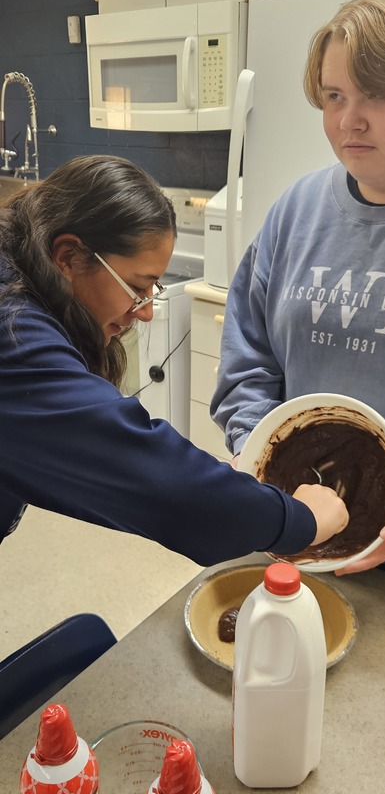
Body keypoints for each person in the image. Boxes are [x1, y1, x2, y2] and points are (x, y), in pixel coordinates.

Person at [211, 0, 385, 600]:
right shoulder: (297, 210)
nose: (347, 120)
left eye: (377, 94)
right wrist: (258, 460)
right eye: (334, 95)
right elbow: (248, 360)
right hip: (299, 539)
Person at [0, 154, 348, 568]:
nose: (145, 311)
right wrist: (301, 520)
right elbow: (153, 479)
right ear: (69, 257)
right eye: (136, 286)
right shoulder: (14, 335)